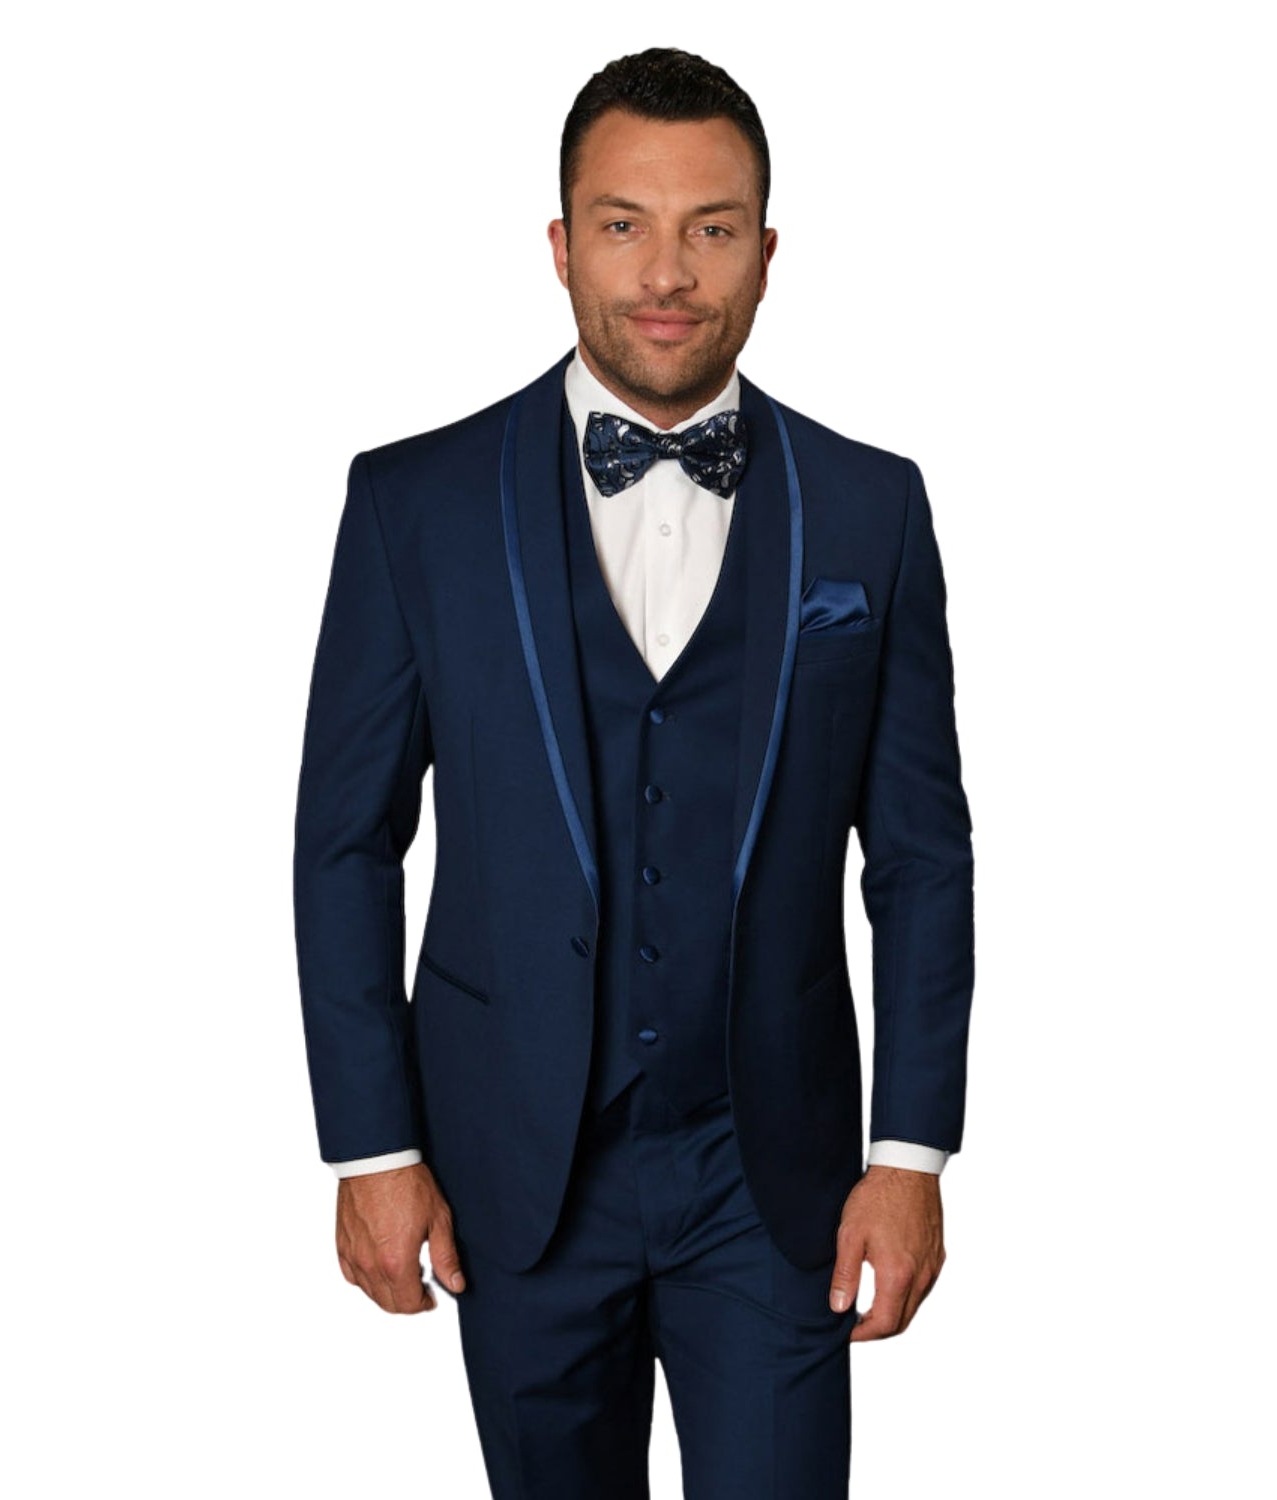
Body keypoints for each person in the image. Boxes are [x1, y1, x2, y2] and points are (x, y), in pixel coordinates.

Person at [293, 46, 975, 1499]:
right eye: (624, 224)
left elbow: (921, 857)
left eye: (711, 228)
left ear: (768, 254)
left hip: (776, 1178)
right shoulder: (414, 505)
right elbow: (347, 841)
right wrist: (370, 1148)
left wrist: (912, 1152)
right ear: (560, 245)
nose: (667, 274)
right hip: (512, 1170)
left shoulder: (873, 507)